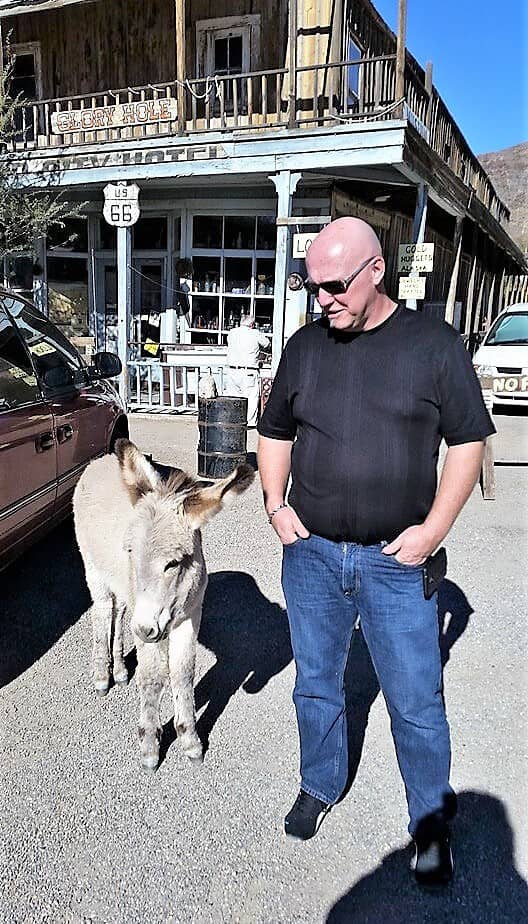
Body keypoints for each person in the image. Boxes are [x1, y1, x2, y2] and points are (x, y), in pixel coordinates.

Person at [257, 217, 495, 887]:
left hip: (398, 565)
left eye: (334, 285)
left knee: (416, 701)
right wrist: (276, 505)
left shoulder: (435, 347)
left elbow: (469, 441)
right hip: (312, 558)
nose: (322, 298)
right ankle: (320, 783)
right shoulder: (304, 347)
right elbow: (273, 429)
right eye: (312, 286)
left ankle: (429, 826)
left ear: (375, 271)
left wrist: (433, 532)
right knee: (316, 684)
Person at [225, 315, 270, 427]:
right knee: (250, 397)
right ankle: (249, 422)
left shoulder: (232, 333)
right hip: (248, 370)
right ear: (252, 324)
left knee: (232, 396)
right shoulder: (255, 333)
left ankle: (233, 420)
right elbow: (267, 344)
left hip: (232, 369)